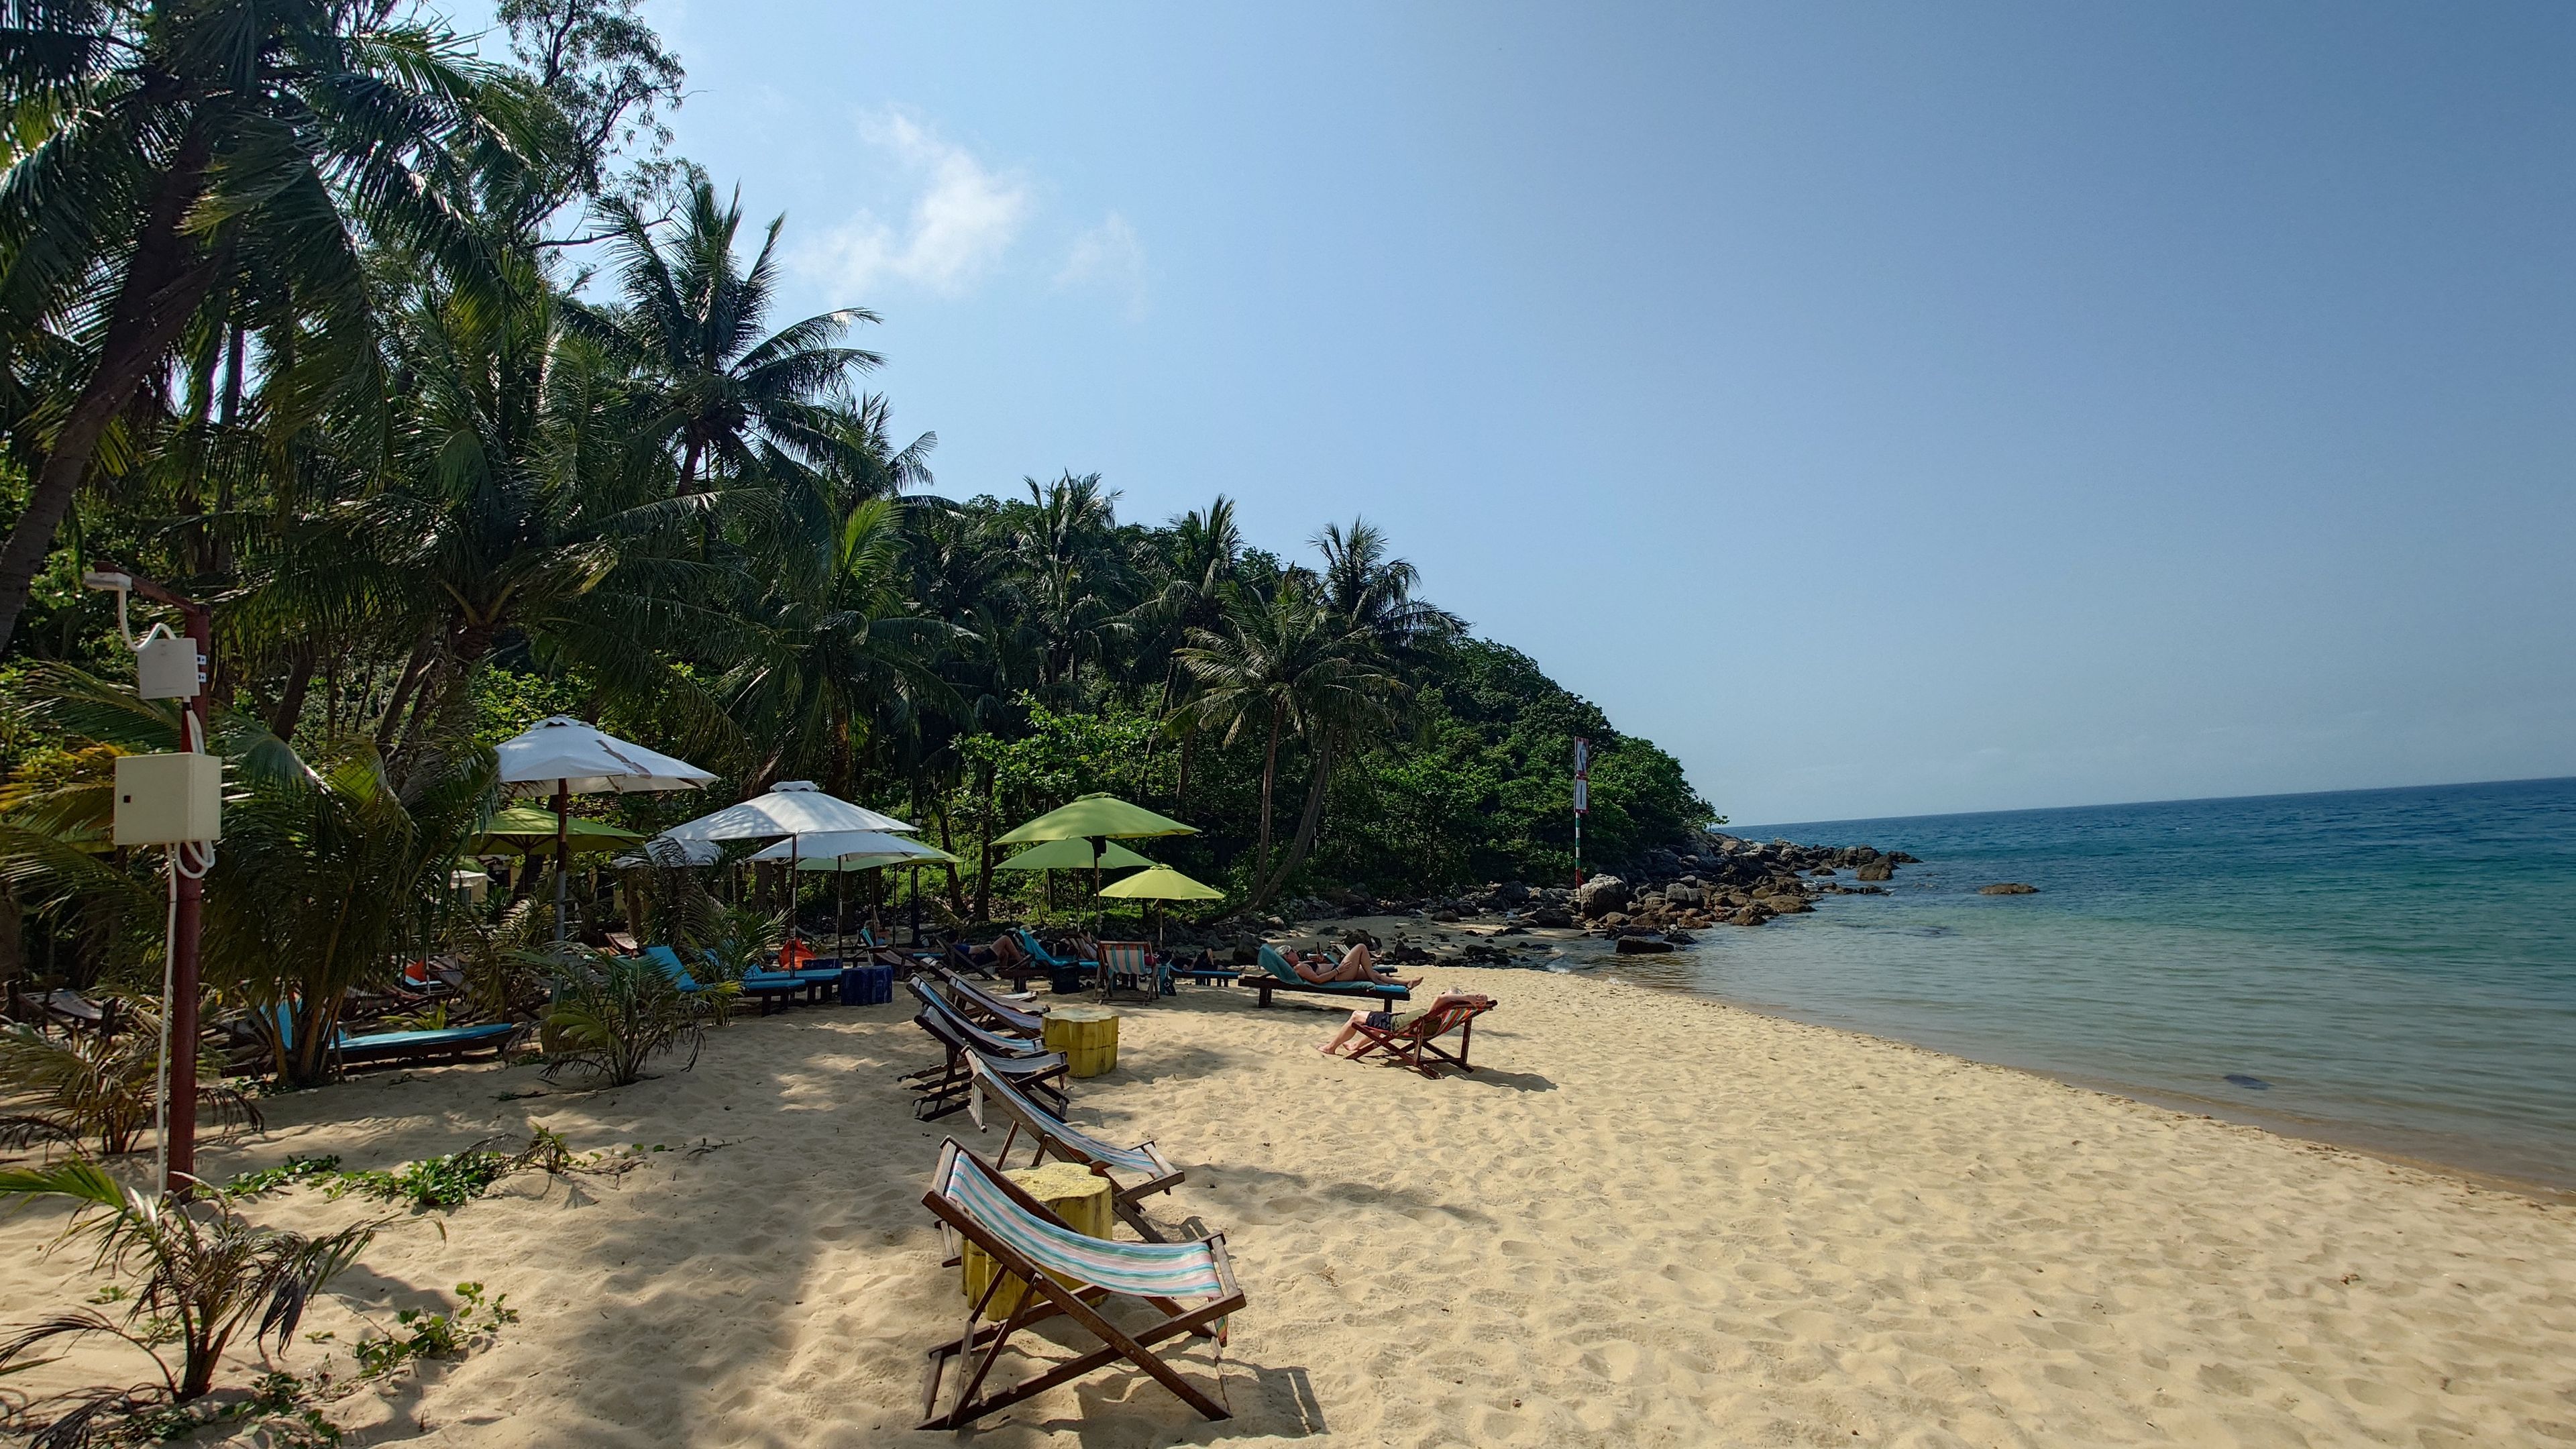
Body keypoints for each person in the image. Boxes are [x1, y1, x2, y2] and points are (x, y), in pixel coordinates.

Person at [1317, 989, 1495, 1057]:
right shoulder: (1443, 1015)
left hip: (1398, 1025)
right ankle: (1356, 1045)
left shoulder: (1438, 1008)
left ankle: (1330, 1048)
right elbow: (1449, 993)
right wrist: (1474, 998)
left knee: (1356, 1015)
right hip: (1410, 1025)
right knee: (1381, 1017)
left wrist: (1465, 997)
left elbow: (1442, 996)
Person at [1283, 941, 1419, 988]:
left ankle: (1406, 983)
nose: (1295, 951)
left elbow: (1319, 970)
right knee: (1360, 947)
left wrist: (1321, 961)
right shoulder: (1299, 968)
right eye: (1291, 951)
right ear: (1286, 957)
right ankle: (1373, 979)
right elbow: (1318, 980)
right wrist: (1338, 970)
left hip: (1339, 971)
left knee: (1374, 973)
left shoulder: (1301, 963)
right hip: (1339, 975)